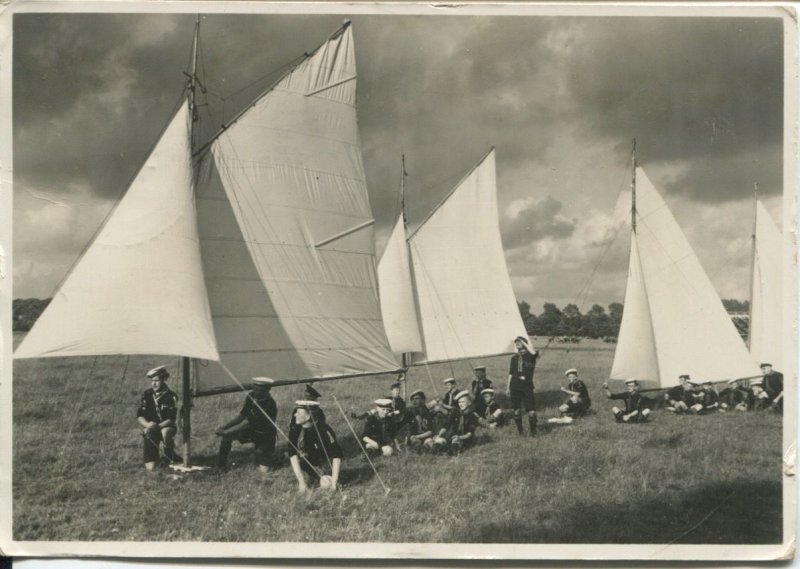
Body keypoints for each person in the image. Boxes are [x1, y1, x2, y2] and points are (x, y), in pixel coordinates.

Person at [215, 377, 277, 473]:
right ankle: (221, 466)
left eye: (260, 390)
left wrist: (225, 432)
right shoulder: (251, 396)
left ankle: (278, 458)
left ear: (268, 390)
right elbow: (242, 415)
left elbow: (246, 424)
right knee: (227, 437)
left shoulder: (269, 404)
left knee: (264, 471)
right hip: (252, 431)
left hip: (265, 436)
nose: (256, 392)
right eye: (255, 389)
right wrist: (225, 427)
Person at [288, 400, 342, 493]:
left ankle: (323, 475)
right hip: (306, 460)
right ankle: (313, 476)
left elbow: (337, 456)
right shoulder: (295, 429)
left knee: (326, 484)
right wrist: (302, 482)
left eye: (299, 412)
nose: (295, 415)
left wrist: (334, 484)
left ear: (309, 416)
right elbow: (292, 453)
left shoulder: (324, 430)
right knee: (301, 462)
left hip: (324, 463)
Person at [136, 365, 181, 471]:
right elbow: (140, 415)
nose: (154, 383)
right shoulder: (146, 394)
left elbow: (171, 419)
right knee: (151, 469)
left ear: (164, 380)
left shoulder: (171, 396)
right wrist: (147, 425)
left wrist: (155, 426)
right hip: (151, 428)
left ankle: (169, 453)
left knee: (165, 432)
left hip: (166, 426)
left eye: (157, 380)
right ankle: (160, 460)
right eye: (152, 381)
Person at [507, 335, 538, 436]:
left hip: (527, 385)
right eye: (516, 342)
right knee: (516, 410)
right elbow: (511, 373)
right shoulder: (514, 358)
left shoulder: (530, 356)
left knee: (531, 411)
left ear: (525, 344)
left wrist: (523, 342)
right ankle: (521, 432)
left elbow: (533, 352)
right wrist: (507, 388)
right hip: (514, 385)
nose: (517, 343)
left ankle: (533, 432)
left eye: (519, 342)